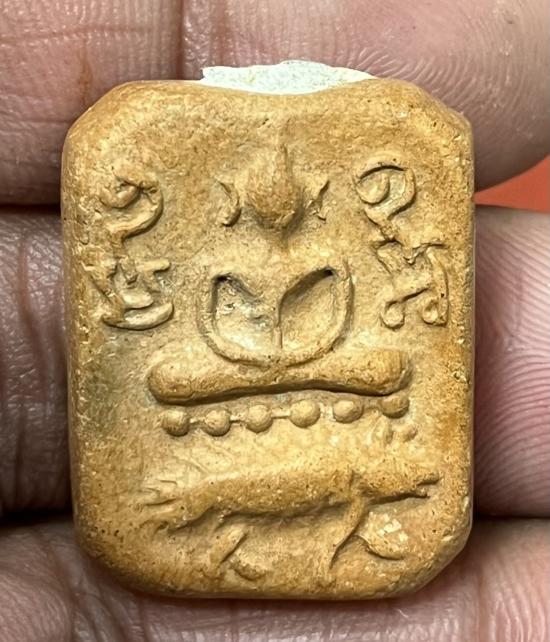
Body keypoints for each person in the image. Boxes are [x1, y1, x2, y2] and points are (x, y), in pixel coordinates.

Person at [0, 1, 548, 640]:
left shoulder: (403, 155)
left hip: (317, 381)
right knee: (179, 380)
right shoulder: (131, 149)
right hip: (222, 387)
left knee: (382, 368)